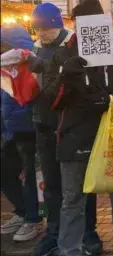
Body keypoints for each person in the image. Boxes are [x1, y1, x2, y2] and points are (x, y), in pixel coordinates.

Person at [42, 0, 113, 256]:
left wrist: (111, 101)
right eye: (80, 24)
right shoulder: (63, 55)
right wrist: (66, 76)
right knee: (73, 201)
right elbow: (50, 100)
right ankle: (70, 251)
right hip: (75, 137)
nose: (85, 29)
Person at [26, 2, 103, 256]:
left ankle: (88, 231)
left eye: (44, 30)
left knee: (80, 184)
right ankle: (55, 232)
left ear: (56, 25)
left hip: (71, 126)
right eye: (37, 30)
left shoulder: (72, 45)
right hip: (44, 124)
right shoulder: (36, 48)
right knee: (51, 183)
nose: (41, 35)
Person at [0, 24, 42, 242]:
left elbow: (29, 97)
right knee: (6, 173)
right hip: (11, 130)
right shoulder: (6, 64)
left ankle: (32, 218)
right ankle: (22, 211)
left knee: (30, 178)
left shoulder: (29, 61)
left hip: (28, 130)